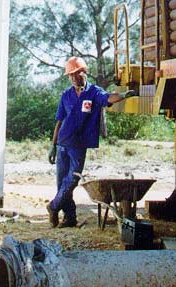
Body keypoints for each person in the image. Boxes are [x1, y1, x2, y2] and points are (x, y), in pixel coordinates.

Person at [47, 57, 136, 227]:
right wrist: (53, 145)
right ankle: (69, 218)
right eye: (70, 75)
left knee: (72, 179)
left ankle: (53, 206)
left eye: (75, 74)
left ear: (83, 72)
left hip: (78, 145)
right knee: (61, 183)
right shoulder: (66, 95)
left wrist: (124, 95)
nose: (72, 78)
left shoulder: (94, 92)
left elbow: (109, 98)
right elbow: (59, 121)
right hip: (62, 143)